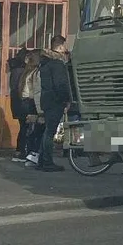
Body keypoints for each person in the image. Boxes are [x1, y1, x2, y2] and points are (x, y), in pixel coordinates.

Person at [36, 36, 73, 173]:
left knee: (47, 131)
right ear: (60, 47)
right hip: (55, 101)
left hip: (46, 99)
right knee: (50, 132)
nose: (65, 49)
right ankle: (47, 161)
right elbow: (60, 84)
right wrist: (66, 99)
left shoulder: (45, 63)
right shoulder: (57, 64)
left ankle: (41, 161)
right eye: (64, 46)